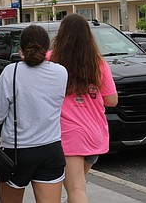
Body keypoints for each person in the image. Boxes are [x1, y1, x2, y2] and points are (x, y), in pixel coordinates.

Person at [0, 25, 68, 203]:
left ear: (21, 49)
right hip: (51, 149)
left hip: (17, 151)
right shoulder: (61, 72)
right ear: (47, 48)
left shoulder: (12, 72)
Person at [50, 14, 118, 203]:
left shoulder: (51, 60)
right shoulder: (99, 63)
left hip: (69, 134)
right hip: (95, 134)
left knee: (76, 189)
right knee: (79, 187)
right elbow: (112, 100)